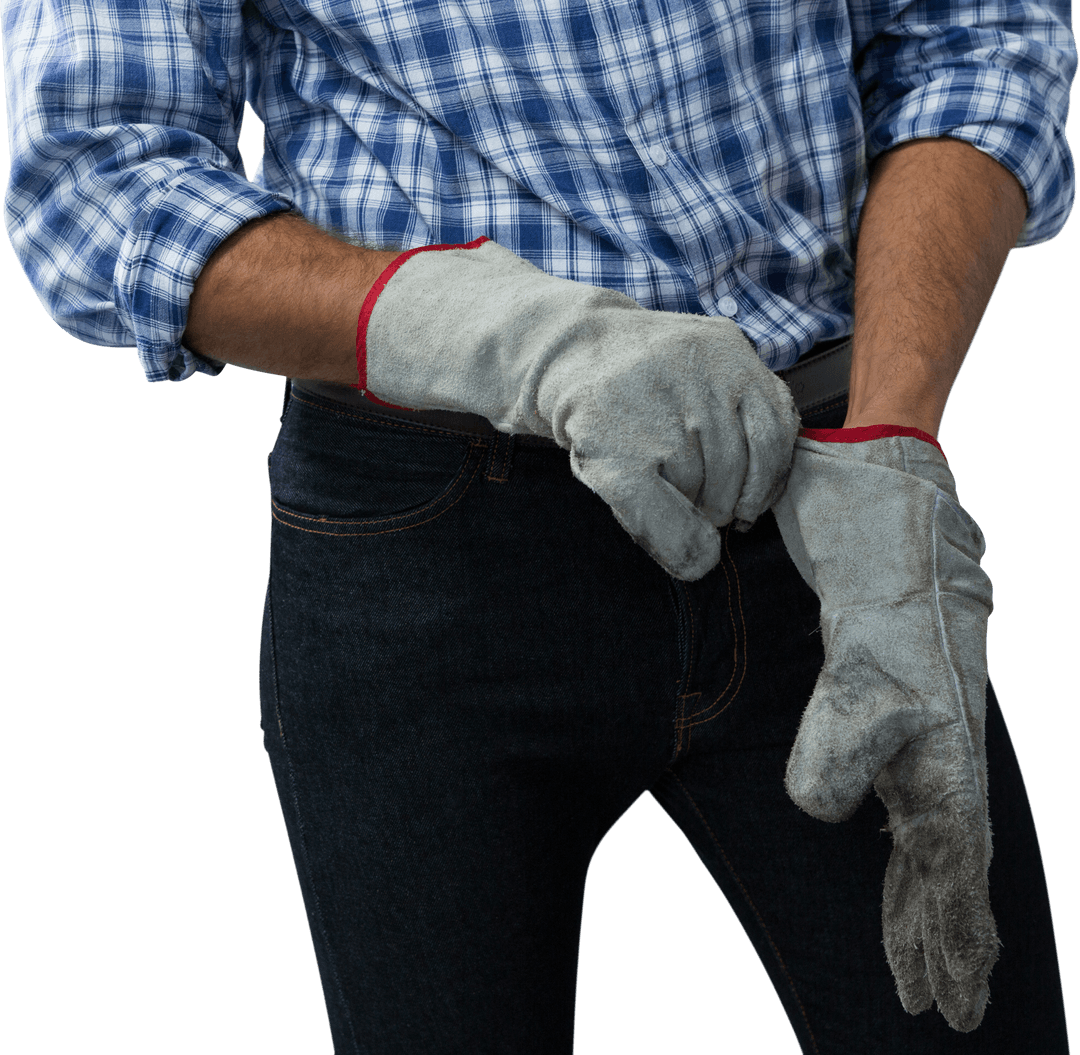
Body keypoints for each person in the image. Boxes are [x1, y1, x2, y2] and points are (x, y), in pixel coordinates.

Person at [2, 0, 1074, 1051]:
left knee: (965, 1005)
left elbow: (976, 35)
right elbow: (96, 174)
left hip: (827, 507)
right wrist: (515, 339)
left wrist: (892, 447)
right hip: (427, 535)